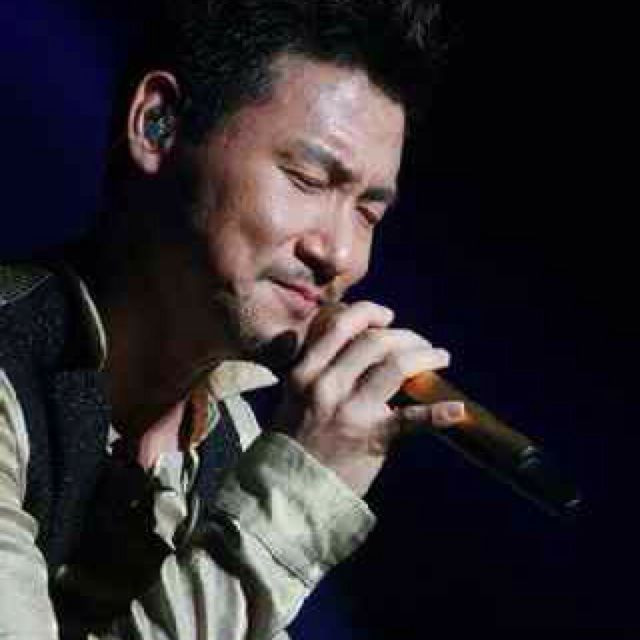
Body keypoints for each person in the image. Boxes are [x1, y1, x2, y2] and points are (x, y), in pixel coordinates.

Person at [0, 0, 465, 638]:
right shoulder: (13, 365)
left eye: (369, 213)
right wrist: (298, 500)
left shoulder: (232, 445)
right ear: (157, 124)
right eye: (307, 179)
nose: (341, 255)